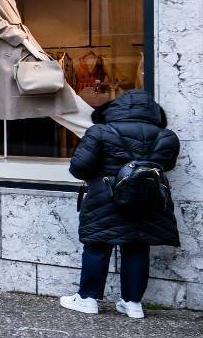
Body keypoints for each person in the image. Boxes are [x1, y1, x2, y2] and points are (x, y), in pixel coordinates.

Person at [60, 88, 179, 320]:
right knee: (137, 247)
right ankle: (133, 303)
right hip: (147, 200)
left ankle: (87, 299)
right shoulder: (167, 136)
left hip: (106, 198)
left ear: (116, 108)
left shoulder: (100, 132)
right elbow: (168, 166)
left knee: (97, 246)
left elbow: (79, 168)